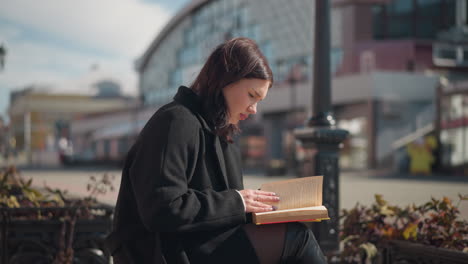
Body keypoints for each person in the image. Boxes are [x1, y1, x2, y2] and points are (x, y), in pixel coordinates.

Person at [105, 37, 327, 264]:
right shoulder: (175, 121)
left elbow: (220, 210)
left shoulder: (222, 134)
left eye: (259, 101)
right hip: (165, 251)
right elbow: (162, 208)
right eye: (252, 96)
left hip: (199, 243)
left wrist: (259, 207)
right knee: (296, 238)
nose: (254, 109)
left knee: (291, 234)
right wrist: (239, 201)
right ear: (225, 80)